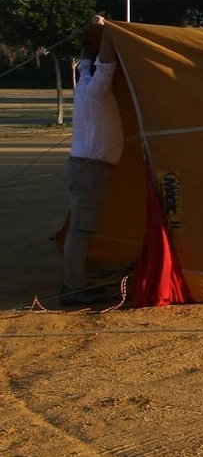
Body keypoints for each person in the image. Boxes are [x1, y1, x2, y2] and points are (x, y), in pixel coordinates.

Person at [60, 16, 123, 306]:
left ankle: (74, 282)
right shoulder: (97, 90)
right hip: (91, 170)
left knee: (81, 227)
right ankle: (72, 288)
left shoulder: (84, 84)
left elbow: (87, 63)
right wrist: (109, 29)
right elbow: (105, 64)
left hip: (84, 167)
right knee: (82, 230)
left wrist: (87, 42)